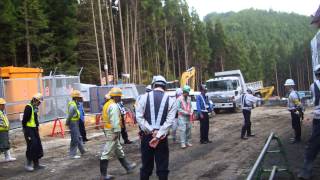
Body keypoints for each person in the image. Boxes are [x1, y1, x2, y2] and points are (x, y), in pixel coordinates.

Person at [135, 75, 177, 180]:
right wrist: (158, 135)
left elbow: (139, 117)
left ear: (153, 85)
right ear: (165, 86)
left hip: (147, 137)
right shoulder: (171, 100)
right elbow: (169, 122)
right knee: (162, 168)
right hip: (161, 139)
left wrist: (151, 130)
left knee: (146, 168)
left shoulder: (143, 97)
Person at [100, 87, 136, 180]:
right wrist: (116, 133)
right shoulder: (114, 106)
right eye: (120, 97)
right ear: (116, 97)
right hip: (113, 131)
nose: (121, 98)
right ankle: (103, 175)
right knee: (107, 152)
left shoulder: (107, 104)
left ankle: (128, 167)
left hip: (108, 130)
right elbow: (115, 121)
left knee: (118, 149)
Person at [22, 93, 45, 172]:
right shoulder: (28, 107)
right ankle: (28, 165)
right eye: (39, 102)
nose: (39, 104)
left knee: (37, 145)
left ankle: (36, 164)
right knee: (31, 146)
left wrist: (37, 127)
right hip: (29, 129)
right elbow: (24, 120)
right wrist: (26, 131)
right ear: (35, 100)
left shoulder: (34, 108)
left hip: (34, 129)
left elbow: (35, 119)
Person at [66, 90, 86, 159]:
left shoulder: (75, 104)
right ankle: (72, 154)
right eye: (79, 97)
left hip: (76, 122)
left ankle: (82, 151)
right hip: (73, 123)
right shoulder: (72, 105)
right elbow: (70, 115)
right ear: (76, 98)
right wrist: (67, 122)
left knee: (78, 137)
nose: (80, 98)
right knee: (74, 138)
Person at [284, 79, 302, 144]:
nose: (285, 87)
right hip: (294, 111)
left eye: (286, 86)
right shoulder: (292, 93)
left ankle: (297, 138)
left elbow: (298, 104)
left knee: (296, 125)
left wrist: (298, 111)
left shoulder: (293, 94)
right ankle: (296, 137)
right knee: (295, 125)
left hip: (295, 111)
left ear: (290, 86)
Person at [0, 98, 16, 162]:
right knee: (3, 145)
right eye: (2, 105)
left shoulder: (2, 112)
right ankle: (8, 157)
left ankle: (8, 157)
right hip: (1, 131)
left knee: (6, 144)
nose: (4, 106)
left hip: (4, 130)